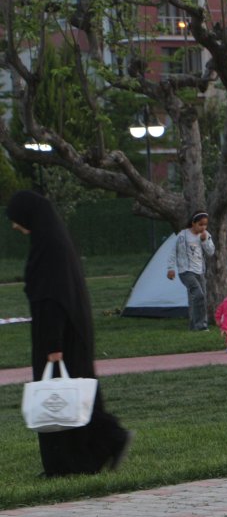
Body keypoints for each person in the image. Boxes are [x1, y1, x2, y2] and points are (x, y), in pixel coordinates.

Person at [6, 190, 132, 477]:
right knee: (76, 397)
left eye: (16, 219)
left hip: (59, 337)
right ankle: (86, 456)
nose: (15, 225)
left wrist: (52, 343)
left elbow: (51, 298)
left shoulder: (49, 246)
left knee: (60, 398)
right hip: (71, 334)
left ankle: (80, 456)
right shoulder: (54, 242)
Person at [167, 211, 216, 331]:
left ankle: (195, 325)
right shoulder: (183, 235)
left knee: (200, 298)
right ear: (193, 223)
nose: (203, 227)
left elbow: (211, 252)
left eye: (205, 225)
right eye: (200, 224)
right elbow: (174, 252)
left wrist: (204, 241)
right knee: (198, 295)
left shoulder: (205, 235)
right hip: (186, 271)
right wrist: (170, 268)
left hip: (199, 271)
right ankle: (201, 326)